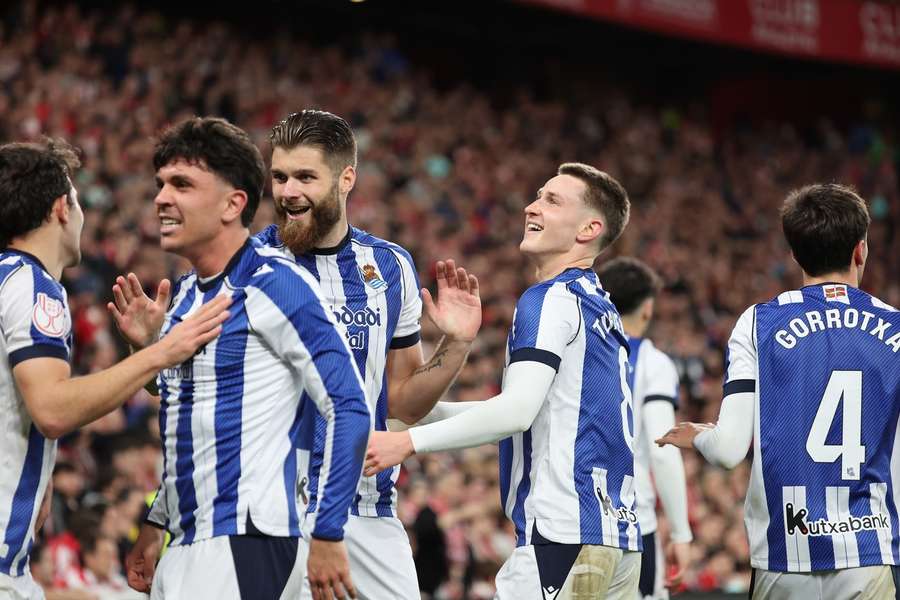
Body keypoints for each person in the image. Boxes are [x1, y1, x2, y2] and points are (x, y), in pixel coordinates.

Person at [109, 117, 371, 600]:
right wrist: (157, 521)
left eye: (182, 185)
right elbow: (193, 418)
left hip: (245, 538)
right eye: (161, 184)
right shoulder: (186, 297)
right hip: (187, 539)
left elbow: (349, 405)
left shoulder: (275, 283)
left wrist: (329, 530)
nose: (161, 198)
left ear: (233, 204)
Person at [365, 163, 640, 599]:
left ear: (589, 229)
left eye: (552, 200)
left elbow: (515, 412)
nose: (532, 206)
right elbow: (541, 413)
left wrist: (407, 443)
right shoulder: (601, 308)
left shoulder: (549, 299)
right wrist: (417, 413)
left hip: (562, 533)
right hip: (617, 538)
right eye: (538, 195)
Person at [254, 109, 482, 599]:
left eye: (305, 177)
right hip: (270, 509)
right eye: (279, 176)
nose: (288, 191)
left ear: (346, 179)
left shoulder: (389, 267)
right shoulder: (249, 265)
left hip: (367, 509)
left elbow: (402, 402)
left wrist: (458, 343)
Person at [0, 139, 230, 600]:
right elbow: (53, 409)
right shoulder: (33, 285)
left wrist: (40, 469)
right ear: (62, 208)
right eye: (78, 202)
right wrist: (160, 353)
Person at [657, 183, 900, 599]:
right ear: (861, 250)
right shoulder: (895, 329)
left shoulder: (759, 323)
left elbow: (728, 451)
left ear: (795, 255)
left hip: (784, 558)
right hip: (869, 552)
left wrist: (698, 435)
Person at [596, 257, 693, 598]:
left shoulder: (575, 353)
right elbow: (662, 448)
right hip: (630, 521)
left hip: (571, 520)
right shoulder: (653, 363)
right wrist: (681, 533)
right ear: (648, 308)